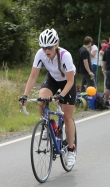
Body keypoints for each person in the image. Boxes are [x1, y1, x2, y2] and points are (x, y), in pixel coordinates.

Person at [19, 28, 76, 166]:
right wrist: (25, 95)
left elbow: (70, 81)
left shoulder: (65, 55)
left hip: (67, 82)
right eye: (43, 48)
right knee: (42, 99)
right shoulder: (40, 54)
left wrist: (61, 96)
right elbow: (33, 76)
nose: (46, 51)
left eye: (49, 47)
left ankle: (71, 149)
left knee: (67, 117)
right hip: (52, 79)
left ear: (56, 45)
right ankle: (49, 125)